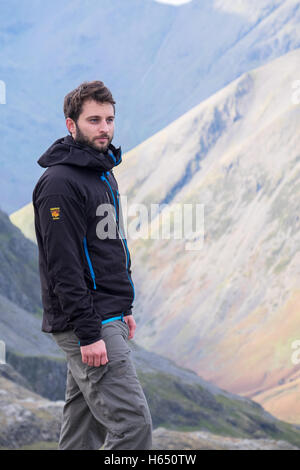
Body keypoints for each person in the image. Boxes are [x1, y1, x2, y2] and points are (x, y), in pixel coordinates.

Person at [32, 80, 153, 450]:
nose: (104, 129)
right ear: (71, 125)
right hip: (87, 320)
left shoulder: (101, 172)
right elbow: (63, 267)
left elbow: (109, 247)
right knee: (133, 427)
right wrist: (89, 333)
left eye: (109, 119)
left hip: (106, 312)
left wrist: (123, 308)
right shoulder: (59, 184)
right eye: (94, 120)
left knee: (82, 432)